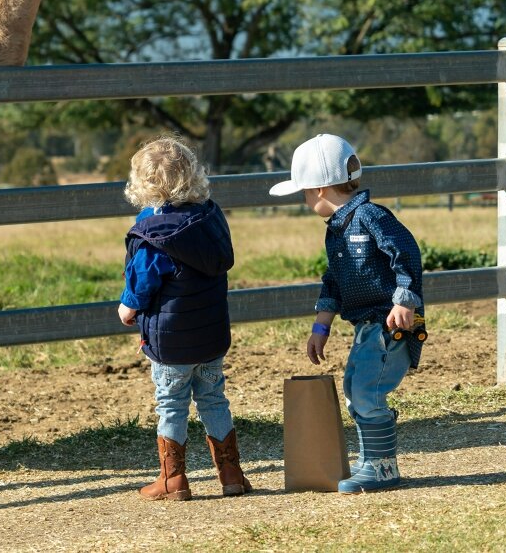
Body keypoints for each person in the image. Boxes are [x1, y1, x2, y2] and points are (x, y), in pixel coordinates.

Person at [269, 133, 424, 493]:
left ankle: (382, 468)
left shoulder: (371, 216)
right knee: (356, 387)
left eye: (305, 194)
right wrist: (321, 325)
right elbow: (334, 280)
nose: (306, 202)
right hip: (367, 326)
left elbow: (407, 254)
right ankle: (373, 459)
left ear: (320, 189)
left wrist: (405, 300)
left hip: (392, 322)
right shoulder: (337, 231)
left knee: (367, 390)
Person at [118, 134, 251, 501]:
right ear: (193, 174)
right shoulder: (210, 219)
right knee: (213, 399)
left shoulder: (153, 233)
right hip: (209, 336)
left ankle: (173, 480)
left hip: (171, 342)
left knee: (172, 403)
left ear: (143, 184)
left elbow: (142, 281)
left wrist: (127, 307)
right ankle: (231, 475)